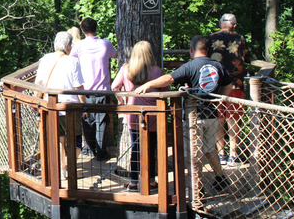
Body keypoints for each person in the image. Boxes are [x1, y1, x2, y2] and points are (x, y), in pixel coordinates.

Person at [135, 35, 233, 192]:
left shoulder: (190, 66)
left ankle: (196, 187)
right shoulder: (217, 66)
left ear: (192, 49)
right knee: (210, 148)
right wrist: (219, 100)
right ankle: (220, 177)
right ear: (207, 50)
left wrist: (148, 84)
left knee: (194, 151)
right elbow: (228, 86)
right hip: (212, 114)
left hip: (195, 116)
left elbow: (168, 79)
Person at [112, 41, 166, 192]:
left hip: (133, 114)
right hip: (154, 116)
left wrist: (122, 101)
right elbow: (166, 90)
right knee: (151, 148)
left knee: (136, 148)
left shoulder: (126, 69)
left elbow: (114, 87)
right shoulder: (157, 72)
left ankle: (134, 182)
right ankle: (151, 181)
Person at [35, 31, 86, 171]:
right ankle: (71, 168)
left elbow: (39, 83)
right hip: (70, 107)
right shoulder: (73, 61)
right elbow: (79, 87)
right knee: (75, 140)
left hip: (50, 106)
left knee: (59, 139)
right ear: (68, 45)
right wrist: (84, 106)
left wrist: (35, 101)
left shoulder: (45, 59)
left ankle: (62, 169)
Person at [70, 18, 117, 161]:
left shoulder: (78, 46)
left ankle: (91, 150)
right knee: (101, 121)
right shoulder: (105, 44)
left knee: (87, 121)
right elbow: (115, 55)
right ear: (96, 28)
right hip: (103, 89)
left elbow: (71, 60)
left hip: (85, 90)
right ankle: (101, 153)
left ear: (83, 30)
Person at [207, 13, 247, 166]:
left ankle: (221, 154)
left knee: (219, 118)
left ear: (219, 24)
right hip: (235, 83)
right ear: (234, 25)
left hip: (215, 85)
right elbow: (245, 56)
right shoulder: (239, 38)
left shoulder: (210, 38)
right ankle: (233, 154)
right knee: (233, 118)